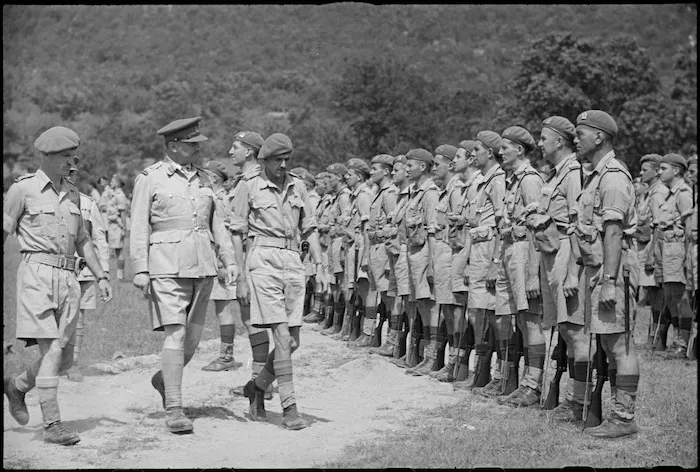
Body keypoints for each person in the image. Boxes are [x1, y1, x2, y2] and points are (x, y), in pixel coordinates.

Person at [3, 126, 113, 445]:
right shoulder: (22, 190)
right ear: (47, 156)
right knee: (51, 350)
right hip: (37, 274)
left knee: (64, 358)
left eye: (74, 156)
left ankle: (17, 386)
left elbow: (83, 240)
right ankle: (52, 425)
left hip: (69, 279)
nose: (72, 162)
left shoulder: (74, 192)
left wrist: (102, 275)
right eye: (66, 156)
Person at [130, 116, 237, 434]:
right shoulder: (151, 178)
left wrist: (228, 259)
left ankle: (165, 378)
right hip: (166, 266)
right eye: (191, 145)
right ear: (173, 146)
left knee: (191, 341)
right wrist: (140, 268)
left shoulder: (206, 180)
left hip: (203, 266)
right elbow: (138, 225)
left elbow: (217, 224)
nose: (196, 150)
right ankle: (175, 408)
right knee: (176, 334)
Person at [230, 133, 329, 430]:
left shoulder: (298, 186)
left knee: (294, 340)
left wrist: (320, 266)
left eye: (287, 159)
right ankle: (290, 408)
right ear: (264, 160)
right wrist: (241, 277)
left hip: (293, 261)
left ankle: (257, 388)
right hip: (263, 260)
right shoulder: (248, 186)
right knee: (283, 337)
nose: (283, 164)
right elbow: (237, 232)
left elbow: (309, 228)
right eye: (277, 160)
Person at [572, 109, 640, 438]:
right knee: (610, 344)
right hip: (600, 267)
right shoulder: (596, 175)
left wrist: (610, 282)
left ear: (599, 136)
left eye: (580, 132)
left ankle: (624, 418)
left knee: (620, 345)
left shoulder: (612, 176)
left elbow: (613, 233)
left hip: (613, 269)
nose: (575, 138)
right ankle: (615, 415)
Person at [528, 116, 588, 420]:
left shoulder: (573, 173)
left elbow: (579, 225)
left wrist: (573, 271)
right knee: (563, 328)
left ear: (559, 141)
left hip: (566, 254)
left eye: (543, 138)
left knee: (575, 331)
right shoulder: (555, 175)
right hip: (551, 254)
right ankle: (571, 398)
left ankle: (579, 403)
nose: (539, 144)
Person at [494, 125, 545, 406]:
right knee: (522, 320)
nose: (500, 152)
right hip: (512, 248)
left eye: (505, 147)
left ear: (520, 150)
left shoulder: (529, 180)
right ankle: (526, 382)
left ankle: (533, 385)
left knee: (531, 319)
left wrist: (533, 272)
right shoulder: (513, 180)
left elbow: (538, 228)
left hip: (526, 251)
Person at [225, 131, 275, 401]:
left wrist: (239, 268)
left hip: (251, 255)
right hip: (251, 254)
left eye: (236, 147)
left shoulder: (252, 181)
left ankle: (261, 382)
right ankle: (260, 380)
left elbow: (240, 228)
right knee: (251, 318)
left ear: (250, 152)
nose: (231, 152)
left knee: (252, 318)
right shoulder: (244, 180)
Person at [462, 131, 508, 395]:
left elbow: (501, 225)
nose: (472, 154)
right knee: (480, 313)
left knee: (492, 316)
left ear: (490, 152)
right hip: (479, 254)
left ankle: (498, 374)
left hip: (490, 255)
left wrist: (495, 262)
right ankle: (482, 371)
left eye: (477, 149)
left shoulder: (498, 181)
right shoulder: (484, 182)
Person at [64, 168, 111, 382]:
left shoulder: (87, 203)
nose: (68, 176)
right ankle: (54, 361)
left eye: (72, 173)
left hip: (83, 269)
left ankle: (72, 363)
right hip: (55, 270)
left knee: (79, 317)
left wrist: (105, 273)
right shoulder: (49, 200)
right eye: (66, 172)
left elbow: (99, 238)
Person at [200, 160, 243, 372]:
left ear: (214, 178)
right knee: (221, 309)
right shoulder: (217, 198)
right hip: (216, 262)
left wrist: (222, 264)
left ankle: (227, 357)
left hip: (221, 264)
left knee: (224, 309)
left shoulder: (219, 200)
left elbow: (223, 236)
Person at [402, 148, 442, 377]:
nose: (407, 168)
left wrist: (431, 264)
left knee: (430, 305)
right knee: (421, 305)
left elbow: (432, 231)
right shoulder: (415, 192)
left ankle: (433, 357)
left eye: (411, 165)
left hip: (425, 254)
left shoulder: (430, 194)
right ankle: (426, 355)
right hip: (413, 253)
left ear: (423, 167)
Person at [427, 144, 463, 381]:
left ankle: (457, 363)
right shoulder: (445, 190)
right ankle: (451, 362)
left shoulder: (456, 189)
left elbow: (460, 229)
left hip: (452, 254)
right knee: (447, 311)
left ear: (450, 165)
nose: (434, 168)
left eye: (438, 163)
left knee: (455, 310)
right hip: (442, 254)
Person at [451, 140, 484, 387]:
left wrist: (469, 261)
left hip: (471, 251)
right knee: (463, 310)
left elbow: (478, 227)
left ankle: (479, 369)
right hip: (463, 250)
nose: (454, 160)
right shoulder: (463, 186)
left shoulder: (476, 186)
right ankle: (461, 364)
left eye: (460, 156)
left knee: (476, 313)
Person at [656, 153, 694, 359]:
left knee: (681, 299)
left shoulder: (683, 194)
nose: (660, 172)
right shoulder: (671, 194)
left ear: (676, 170)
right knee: (671, 297)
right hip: (669, 251)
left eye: (663, 168)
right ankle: (678, 342)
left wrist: (689, 260)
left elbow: (689, 229)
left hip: (678, 252)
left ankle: (683, 343)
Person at [365, 154, 399, 353]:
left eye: (375, 169)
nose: (371, 173)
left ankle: (393, 341)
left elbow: (394, 226)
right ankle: (388, 339)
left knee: (390, 296)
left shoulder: (389, 193)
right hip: (375, 246)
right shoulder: (380, 192)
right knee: (384, 296)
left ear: (385, 171)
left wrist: (388, 261)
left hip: (385, 249)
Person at [342, 158, 376, 347]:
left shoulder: (364, 196)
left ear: (360, 176)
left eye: (350, 174)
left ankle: (369, 333)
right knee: (359, 290)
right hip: (354, 245)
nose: (346, 177)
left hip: (362, 246)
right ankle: (361, 331)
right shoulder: (355, 195)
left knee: (367, 289)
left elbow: (366, 228)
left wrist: (365, 254)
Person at [637, 154, 669, 349]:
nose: (641, 173)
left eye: (645, 170)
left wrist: (651, 255)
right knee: (653, 293)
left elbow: (658, 226)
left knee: (657, 295)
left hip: (653, 247)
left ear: (656, 171)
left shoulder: (658, 193)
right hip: (645, 244)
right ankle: (654, 337)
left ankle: (658, 340)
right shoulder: (650, 192)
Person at [321, 163, 352, 337]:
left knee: (342, 284)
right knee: (335, 284)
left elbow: (345, 223)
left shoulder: (344, 197)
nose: (327, 181)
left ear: (339, 177)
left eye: (330, 177)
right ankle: (337, 323)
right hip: (334, 242)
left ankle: (344, 326)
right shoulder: (337, 196)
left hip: (341, 242)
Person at [106, 174, 129, 280]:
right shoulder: (114, 194)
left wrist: (124, 228)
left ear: (118, 183)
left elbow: (123, 214)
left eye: (112, 181)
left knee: (119, 251)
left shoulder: (120, 195)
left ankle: (120, 275)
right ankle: (118, 274)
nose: (110, 182)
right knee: (116, 251)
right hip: (113, 225)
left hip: (118, 226)